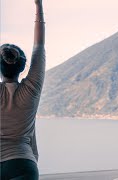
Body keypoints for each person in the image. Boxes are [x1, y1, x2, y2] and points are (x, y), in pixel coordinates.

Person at [0, 0, 45, 179]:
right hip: (24, 166)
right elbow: (39, 47)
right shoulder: (32, 89)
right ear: (21, 66)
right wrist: (38, 6)